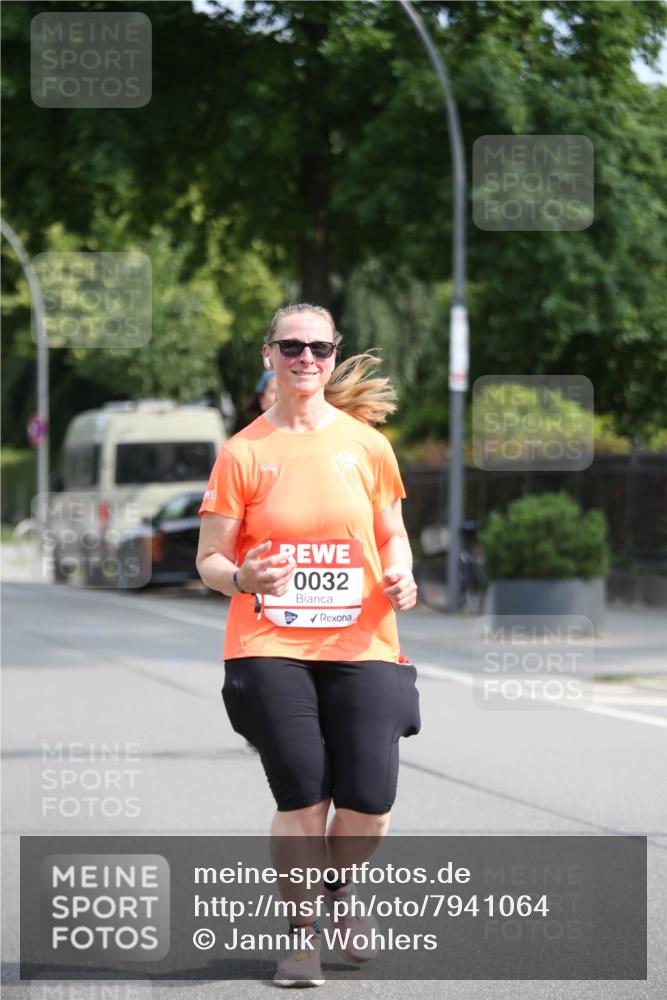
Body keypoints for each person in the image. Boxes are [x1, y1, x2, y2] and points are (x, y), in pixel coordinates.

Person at [196, 303, 421, 987]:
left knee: (368, 808)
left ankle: (337, 888)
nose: (305, 358)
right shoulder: (244, 452)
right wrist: (242, 576)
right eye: (290, 346)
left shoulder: (366, 447)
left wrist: (404, 571)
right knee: (303, 799)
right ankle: (299, 937)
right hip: (268, 644)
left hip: (364, 643)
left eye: (318, 348)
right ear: (268, 355)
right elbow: (208, 559)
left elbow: (392, 533)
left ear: (331, 356)